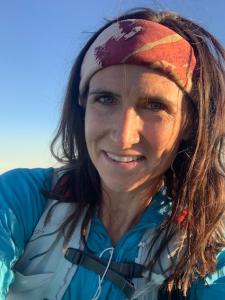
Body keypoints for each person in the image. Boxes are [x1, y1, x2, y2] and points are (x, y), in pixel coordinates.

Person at [0, 7, 225, 300]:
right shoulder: (23, 200)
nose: (123, 134)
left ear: (189, 123)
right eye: (105, 99)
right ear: (82, 107)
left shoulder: (204, 249)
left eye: (155, 105)